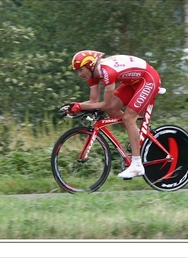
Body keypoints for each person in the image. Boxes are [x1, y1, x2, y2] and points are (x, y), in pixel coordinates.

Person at [60, 50, 161, 179]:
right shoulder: (92, 75)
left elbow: (105, 103)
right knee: (112, 109)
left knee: (128, 118)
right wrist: (74, 106)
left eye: (81, 70)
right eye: (77, 71)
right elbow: (93, 102)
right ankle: (139, 138)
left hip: (149, 79)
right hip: (134, 82)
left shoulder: (107, 72)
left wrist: (80, 106)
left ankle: (137, 165)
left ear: (90, 65)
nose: (79, 74)